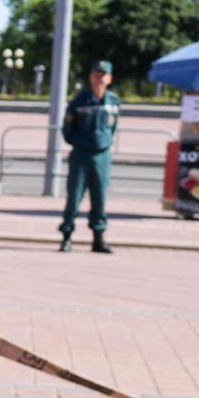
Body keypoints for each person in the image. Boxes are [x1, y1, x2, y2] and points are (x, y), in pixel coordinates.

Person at [59, 61, 120, 254]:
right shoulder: (80, 100)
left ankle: (98, 239)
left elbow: (112, 128)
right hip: (81, 155)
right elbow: (68, 129)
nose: (99, 78)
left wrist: (104, 142)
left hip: (102, 156)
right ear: (91, 76)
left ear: (109, 78)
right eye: (96, 74)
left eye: (103, 75)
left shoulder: (113, 101)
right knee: (74, 198)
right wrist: (83, 142)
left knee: (100, 198)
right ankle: (67, 237)